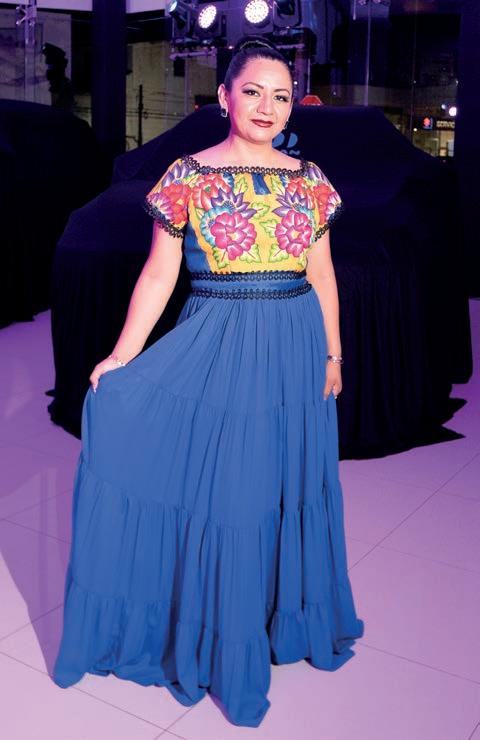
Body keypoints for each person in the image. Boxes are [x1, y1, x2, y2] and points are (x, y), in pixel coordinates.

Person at [52, 34, 364, 728]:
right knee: (234, 498)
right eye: (252, 91)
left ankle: (280, 620)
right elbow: (159, 274)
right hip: (220, 339)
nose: (267, 106)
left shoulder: (310, 179)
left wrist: (334, 356)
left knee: (284, 489)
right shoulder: (187, 174)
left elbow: (323, 275)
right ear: (223, 96)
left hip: (296, 344)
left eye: (281, 95)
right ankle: (226, 641)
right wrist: (122, 356)